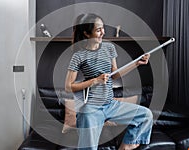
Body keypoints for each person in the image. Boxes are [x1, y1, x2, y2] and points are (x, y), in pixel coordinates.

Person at [65, 13, 153, 150]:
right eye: (98, 30)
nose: (103, 33)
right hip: (91, 108)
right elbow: (68, 87)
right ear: (87, 34)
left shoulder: (109, 48)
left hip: (110, 104)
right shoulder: (78, 55)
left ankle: (124, 148)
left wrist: (137, 63)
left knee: (145, 115)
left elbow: (115, 74)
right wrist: (94, 81)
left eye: (103, 28)